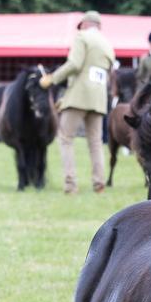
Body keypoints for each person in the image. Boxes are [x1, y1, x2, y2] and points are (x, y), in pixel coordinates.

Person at [40, 10, 114, 194]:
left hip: (79, 98)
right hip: (98, 98)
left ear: (84, 24)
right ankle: (99, 184)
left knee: (66, 138)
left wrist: (52, 78)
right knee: (96, 142)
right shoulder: (107, 44)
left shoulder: (82, 37)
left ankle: (70, 184)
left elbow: (75, 64)